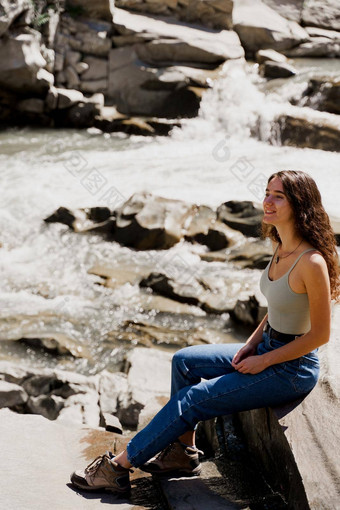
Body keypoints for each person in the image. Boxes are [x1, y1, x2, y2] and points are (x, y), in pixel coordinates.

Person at [70, 170, 340, 494]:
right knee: (184, 361)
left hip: (292, 368)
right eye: (267, 192)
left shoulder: (312, 262)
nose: (267, 201)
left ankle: (117, 467)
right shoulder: (280, 245)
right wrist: (253, 344)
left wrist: (264, 362)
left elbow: (320, 335)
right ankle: (183, 454)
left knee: (193, 399)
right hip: (268, 347)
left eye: (278, 196)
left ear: (300, 204)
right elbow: (278, 309)